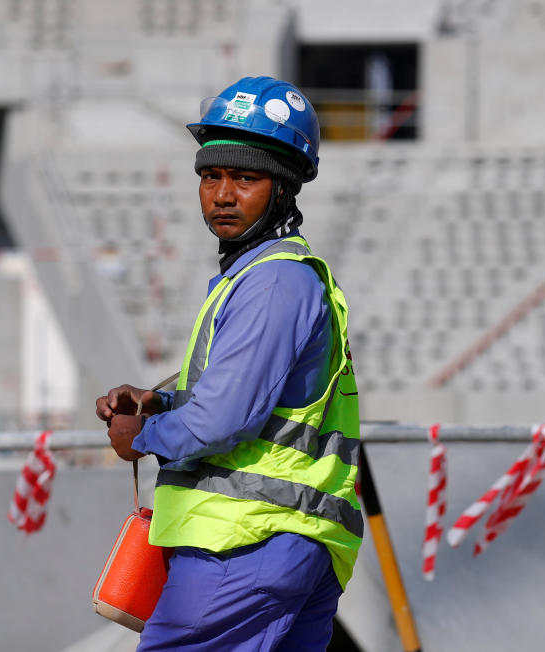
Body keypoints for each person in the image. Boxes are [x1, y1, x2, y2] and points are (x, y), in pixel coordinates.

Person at [95, 76, 362, 651]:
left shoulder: (274, 282)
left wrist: (143, 435)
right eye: (211, 175)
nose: (221, 194)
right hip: (285, 541)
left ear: (285, 188)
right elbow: (250, 403)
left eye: (245, 177)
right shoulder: (263, 276)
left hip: (245, 544)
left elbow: (222, 420)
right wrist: (158, 402)